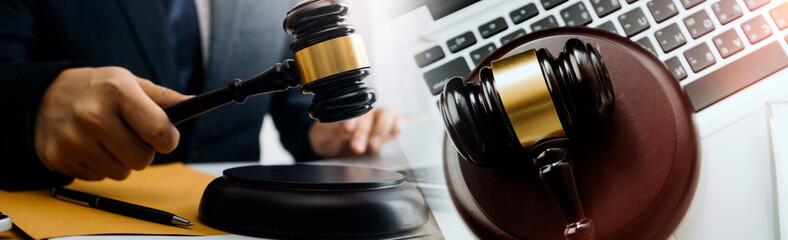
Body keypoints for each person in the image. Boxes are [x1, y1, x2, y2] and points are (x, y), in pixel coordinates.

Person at [0, 0, 403, 191]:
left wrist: (330, 134)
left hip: (242, 217)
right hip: (76, 206)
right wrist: (36, 101)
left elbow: (299, 107)